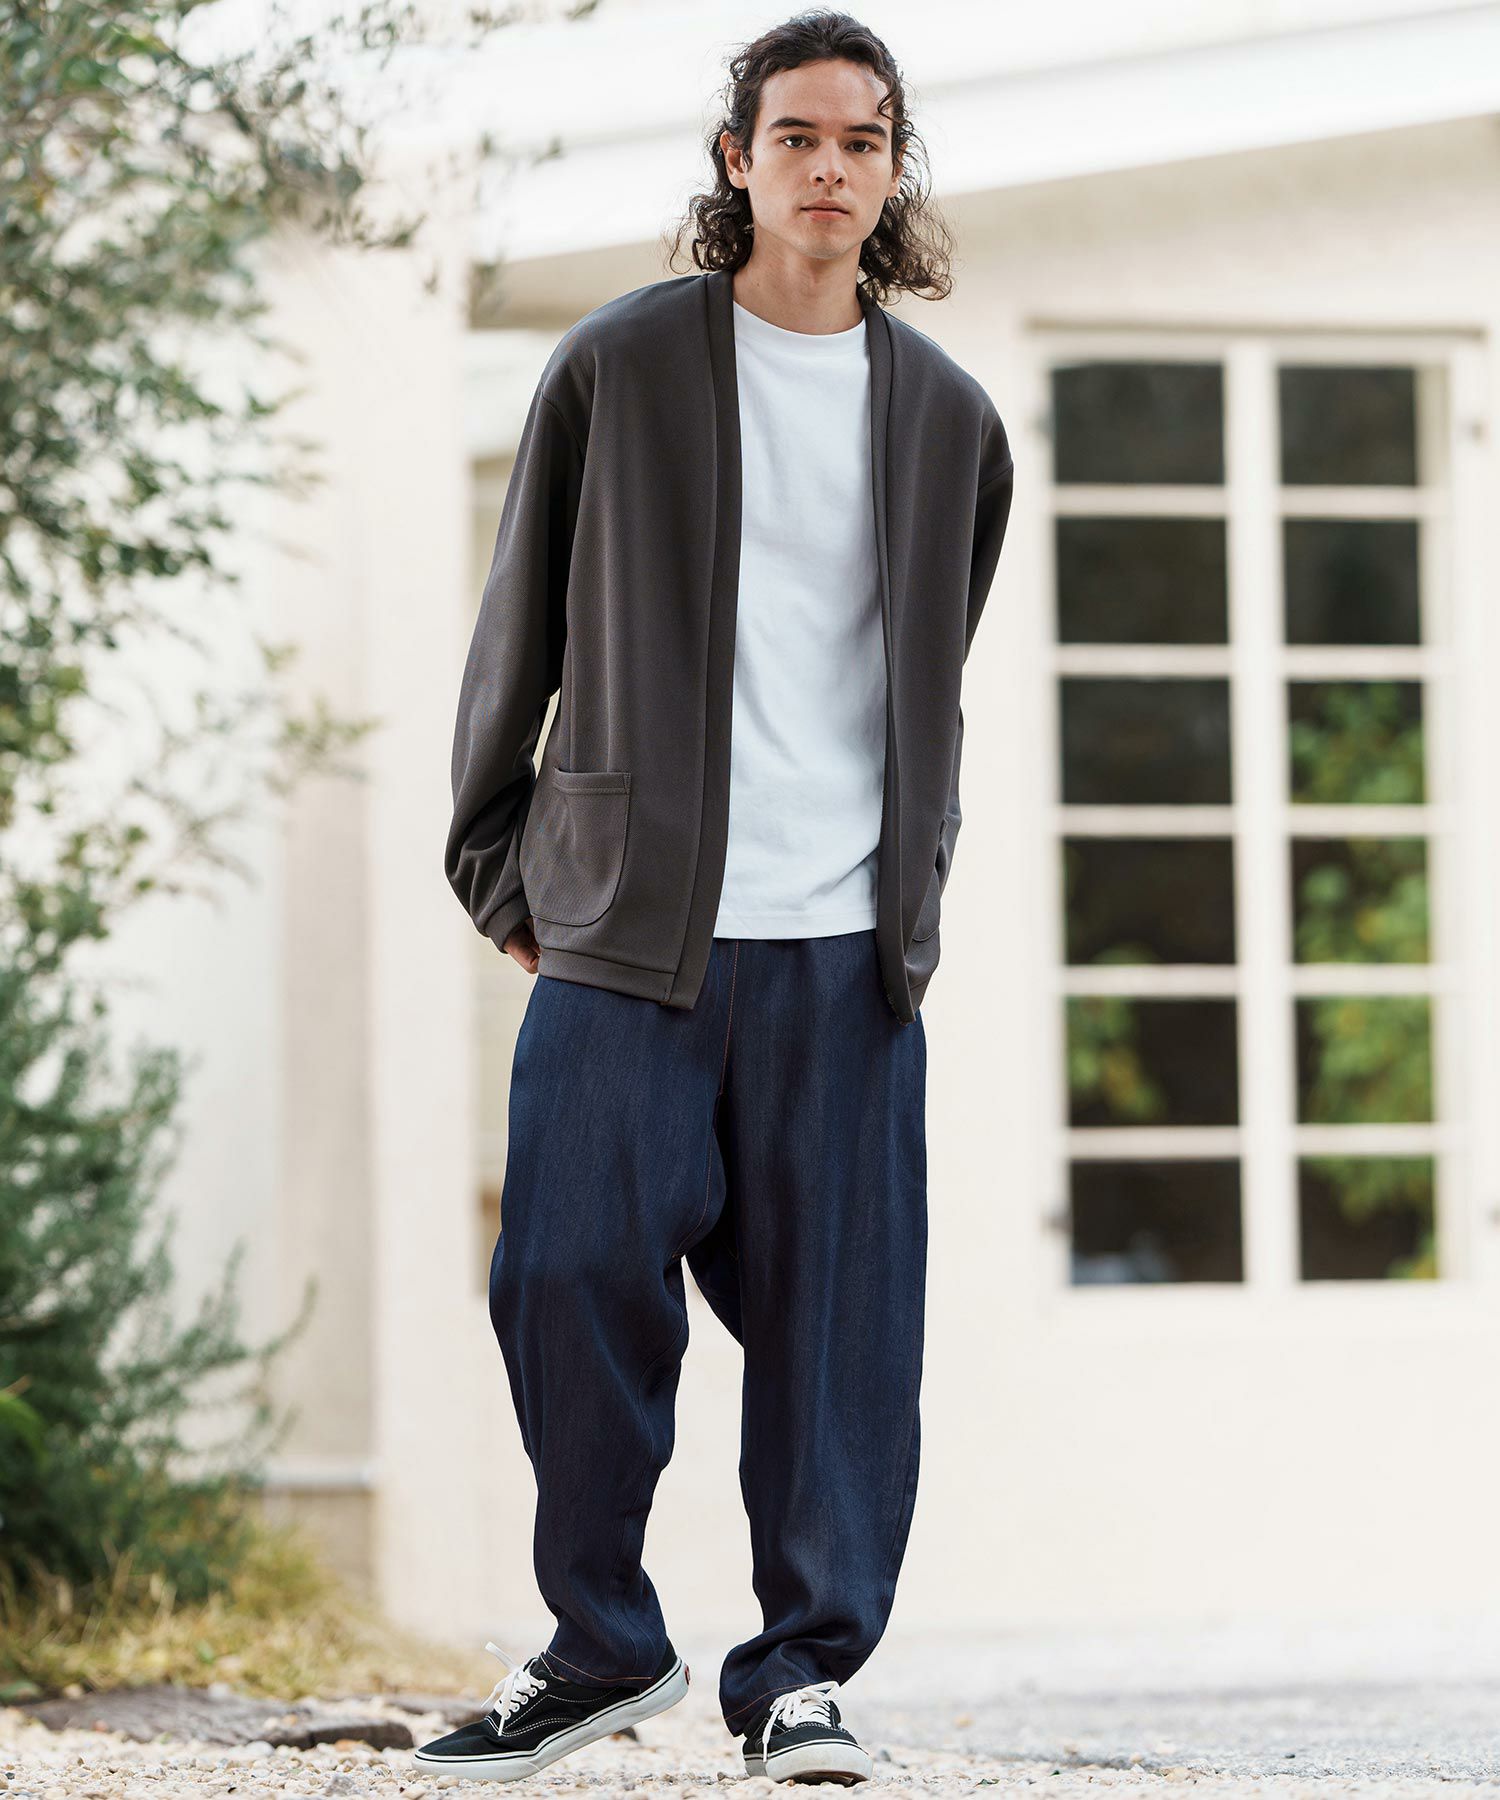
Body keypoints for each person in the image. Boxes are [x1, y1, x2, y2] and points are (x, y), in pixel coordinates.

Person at [419, 8, 1015, 1786]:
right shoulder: (618, 367)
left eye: (861, 140)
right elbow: (520, 621)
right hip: (628, 929)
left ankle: (803, 1674)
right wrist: (497, 858)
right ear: (738, 160)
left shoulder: (952, 420)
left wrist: (913, 894)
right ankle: (601, 1644)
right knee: (565, 1274)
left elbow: (932, 679)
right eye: (796, 137)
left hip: (844, 949)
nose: (829, 168)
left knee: (841, 1329)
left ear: (894, 171)